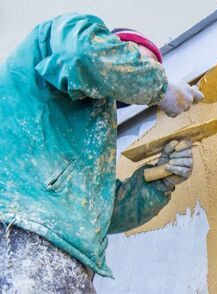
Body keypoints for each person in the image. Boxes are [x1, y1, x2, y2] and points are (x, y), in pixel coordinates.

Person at [0, 13, 203, 293]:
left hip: (59, 255)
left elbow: (100, 211)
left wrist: (161, 179)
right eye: (141, 63)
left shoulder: (75, 138)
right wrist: (161, 87)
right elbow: (83, 54)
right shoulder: (65, 38)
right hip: (21, 232)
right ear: (113, 46)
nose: (147, 72)